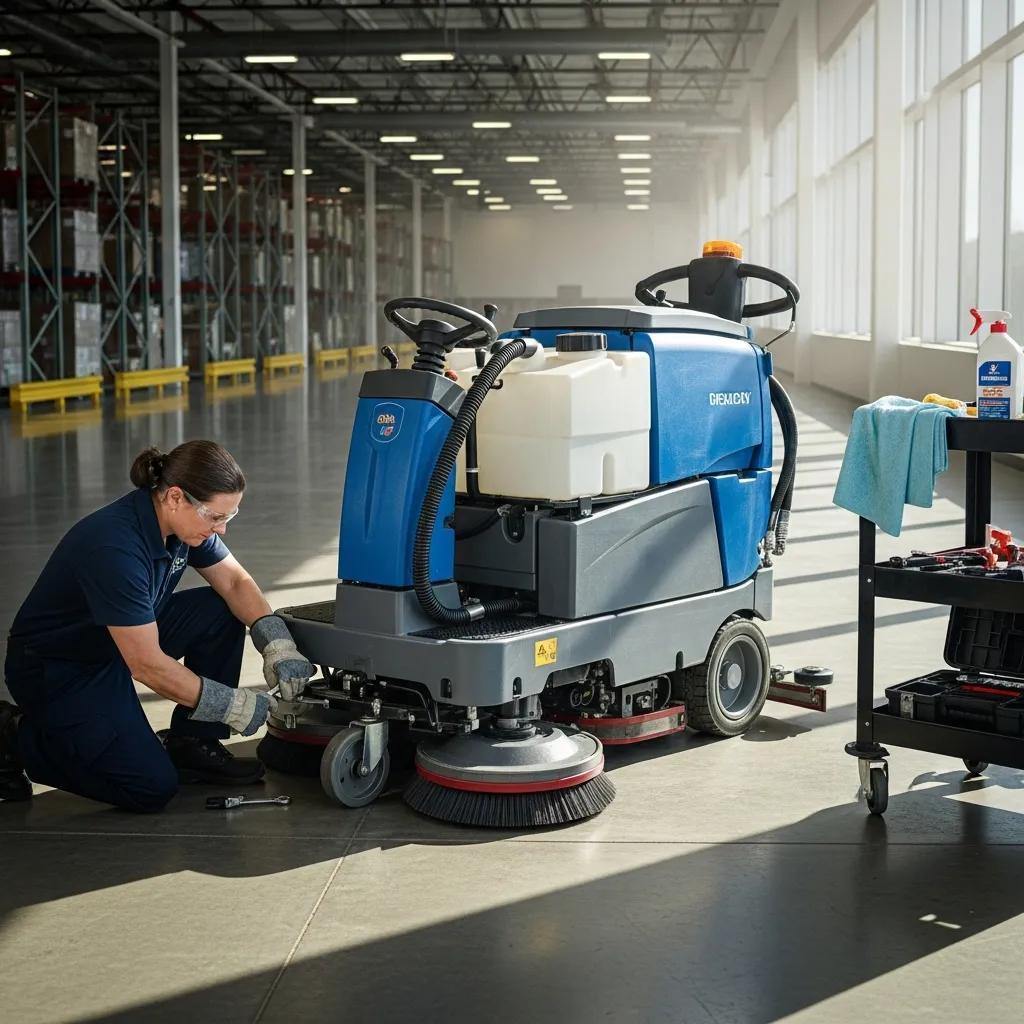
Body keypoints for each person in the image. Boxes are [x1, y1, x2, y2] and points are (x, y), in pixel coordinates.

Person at [0, 440, 314, 812]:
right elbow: (147, 665)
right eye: (215, 517)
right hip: (62, 667)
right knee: (150, 786)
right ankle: (13, 735)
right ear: (175, 498)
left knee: (220, 608)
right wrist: (232, 706)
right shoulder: (115, 547)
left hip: (121, 636)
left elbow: (234, 583)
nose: (222, 530)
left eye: (230, 516)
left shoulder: (181, 525)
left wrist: (277, 643)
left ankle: (193, 743)